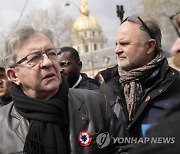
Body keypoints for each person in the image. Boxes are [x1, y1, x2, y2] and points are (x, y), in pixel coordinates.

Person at [0, 25, 132, 154]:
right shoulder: (2, 123)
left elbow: (123, 149)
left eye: (51, 54)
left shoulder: (95, 103)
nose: (48, 62)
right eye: (34, 58)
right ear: (13, 75)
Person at [100, 15, 180, 138]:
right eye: (116, 44)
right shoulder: (106, 87)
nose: (117, 50)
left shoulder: (175, 86)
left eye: (124, 43)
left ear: (149, 46)